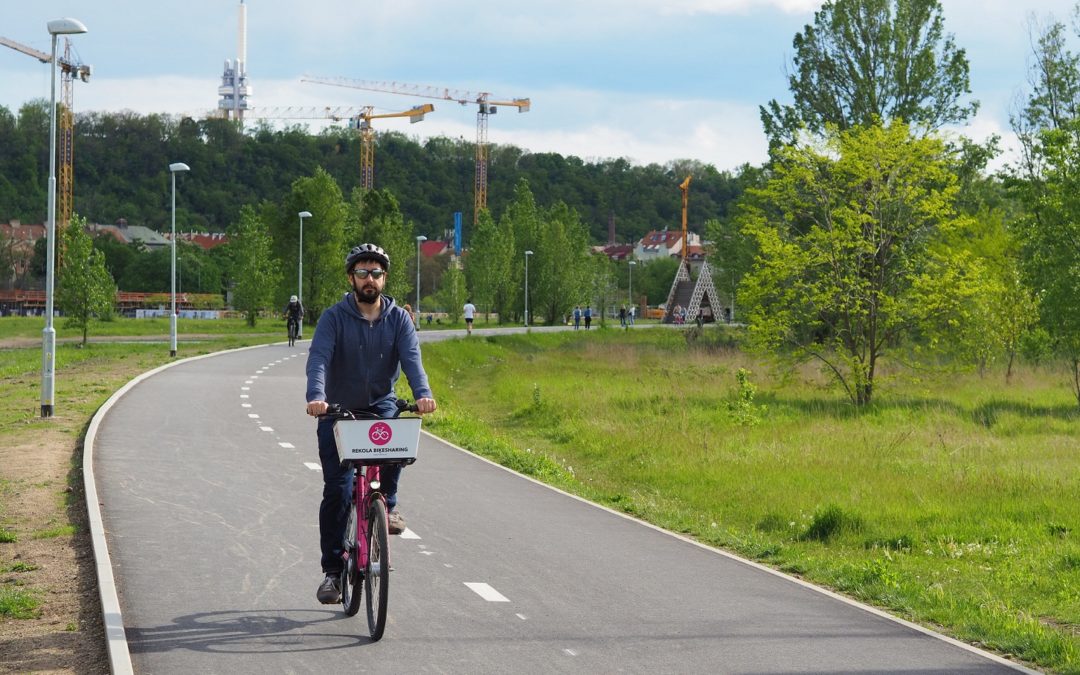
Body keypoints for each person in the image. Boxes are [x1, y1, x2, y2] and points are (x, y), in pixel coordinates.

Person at [305, 243, 438, 605]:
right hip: (337, 411)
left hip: (380, 406)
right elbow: (318, 359)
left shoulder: (398, 319)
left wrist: (423, 394)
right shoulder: (334, 318)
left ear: (384, 278)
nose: (369, 279)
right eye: (362, 273)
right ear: (352, 278)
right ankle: (332, 573)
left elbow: (412, 361)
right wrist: (316, 397)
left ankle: (388, 506)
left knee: (397, 440)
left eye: (375, 273)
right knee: (338, 490)